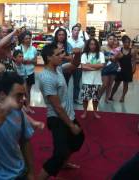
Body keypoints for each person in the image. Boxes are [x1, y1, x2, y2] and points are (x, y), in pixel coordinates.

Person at [38, 44, 84, 179]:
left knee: (78, 139)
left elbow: (75, 64)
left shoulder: (57, 69)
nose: (62, 56)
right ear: (49, 57)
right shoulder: (47, 78)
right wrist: (71, 125)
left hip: (67, 114)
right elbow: (57, 107)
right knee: (60, 154)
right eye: (58, 54)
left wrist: (78, 54)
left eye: (61, 53)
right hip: (58, 118)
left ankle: (64, 163)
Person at [80, 38, 105, 119]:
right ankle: (85, 112)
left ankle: (95, 112)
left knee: (95, 99)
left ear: (97, 45)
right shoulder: (84, 55)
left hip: (97, 81)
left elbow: (102, 65)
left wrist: (89, 65)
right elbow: (83, 67)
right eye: (91, 44)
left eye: (94, 44)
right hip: (86, 81)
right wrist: (95, 68)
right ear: (88, 45)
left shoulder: (100, 54)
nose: (93, 46)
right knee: (85, 98)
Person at [109, 35, 137, 102]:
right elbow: (115, 60)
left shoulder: (132, 51)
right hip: (120, 69)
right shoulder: (119, 50)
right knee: (116, 84)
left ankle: (122, 97)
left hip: (128, 69)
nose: (127, 44)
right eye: (125, 42)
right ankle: (111, 95)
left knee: (125, 84)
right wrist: (116, 58)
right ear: (123, 43)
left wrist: (134, 69)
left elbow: (134, 61)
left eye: (128, 42)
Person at [15, 31, 38, 110]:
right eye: (26, 38)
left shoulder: (34, 49)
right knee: (20, 90)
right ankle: (19, 106)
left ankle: (28, 106)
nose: (28, 40)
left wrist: (28, 61)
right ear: (22, 40)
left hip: (30, 72)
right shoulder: (17, 48)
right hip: (20, 73)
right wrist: (23, 61)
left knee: (28, 90)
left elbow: (35, 62)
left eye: (29, 38)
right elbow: (15, 60)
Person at [100, 34, 120, 103]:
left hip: (113, 68)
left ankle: (106, 99)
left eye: (113, 39)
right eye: (110, 39)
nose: (112, 41)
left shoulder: (116, 48)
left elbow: (118, 58)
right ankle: (98, 97)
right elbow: (101, 57)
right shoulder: (103, 47)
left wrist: (117, 56)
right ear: (107, 40)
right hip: (105, 68)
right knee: (105, 84)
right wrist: (110, 57)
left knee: (110, 85)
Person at [68, 25, 85, 104]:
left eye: (78, 30)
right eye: (75, 30)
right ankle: (65, 98)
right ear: (72, 31)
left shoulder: (82, 42)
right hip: (68, 65)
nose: (76, 31)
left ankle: (75, 98)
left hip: (78, 65)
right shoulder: (67, 41)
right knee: (65, 82)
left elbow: (83, 54)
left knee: (77, 83)